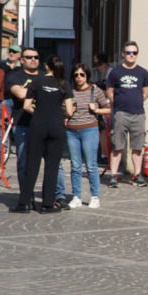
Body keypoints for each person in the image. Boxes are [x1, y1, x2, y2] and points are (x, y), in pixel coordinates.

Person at [13, 57, 73, 213]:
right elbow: (70, 111)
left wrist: (38, 113)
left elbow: (27, 106)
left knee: (32, 164)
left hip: (38, 125)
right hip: (57, 126)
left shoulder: (37, 81)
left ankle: (24, 203)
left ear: (46, 66)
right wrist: (59, 115)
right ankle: (47, 204)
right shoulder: (64, 84)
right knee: (52, 166)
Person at [106, 41, 148, 187]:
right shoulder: (115, 72)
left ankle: (137, 175)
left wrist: (136, 100)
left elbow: (146, 92)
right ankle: (113, 176)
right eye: (128, 52)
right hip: (121, 113)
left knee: (137, 147)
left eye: (134, 53)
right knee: (117, 146)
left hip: (138, 114)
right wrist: (119, 102)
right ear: (123, 54)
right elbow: (109, 91)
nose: (131, 55)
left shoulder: (143, 72)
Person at [65, 63, 110, 209]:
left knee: (91, 165)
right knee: (75, 166)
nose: (79, 77)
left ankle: (95, 196)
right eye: (76, 75)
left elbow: (108, 109)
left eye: (82, 75)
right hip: (72, 131)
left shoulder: (95, 91)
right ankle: (76, 196)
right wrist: (68, 110)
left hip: (89, 130)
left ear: (87, 76)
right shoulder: (70, 92)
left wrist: (96, 110)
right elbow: (63, 110)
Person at [5, 48, 43, 191]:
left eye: (36, 57)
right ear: (22, 60)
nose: (33, 59)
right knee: (24, 162)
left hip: (44, 124)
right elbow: (20, 94)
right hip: (23, 124)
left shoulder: (45, 76)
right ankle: (26, 194)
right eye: (29, 57)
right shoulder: (15, 77)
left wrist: (29, 93)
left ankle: (58, 196)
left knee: (54, 163)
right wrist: (42, 93)